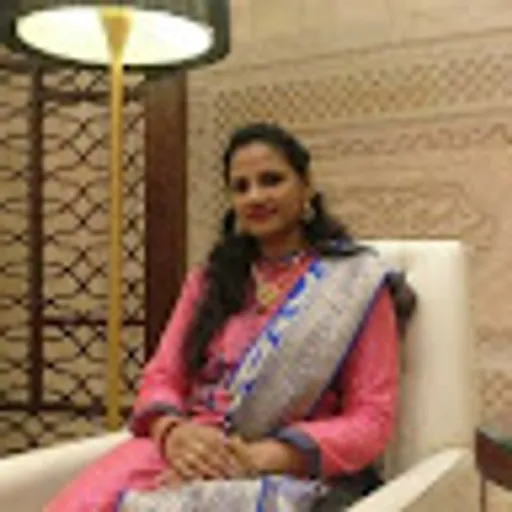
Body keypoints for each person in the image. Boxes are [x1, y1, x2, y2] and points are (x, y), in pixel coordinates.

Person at [45, 122, 411, 512]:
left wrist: (264, 456)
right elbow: (163, 376)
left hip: (287, 467)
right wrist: (172, 432)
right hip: (186, 446)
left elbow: (370, 419)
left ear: (306, 186)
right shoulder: (209, 280)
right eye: (241, 186)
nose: (255, 196)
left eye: (271, 180)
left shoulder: (354, 284)